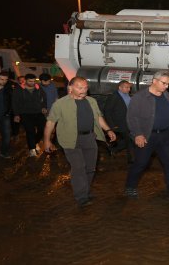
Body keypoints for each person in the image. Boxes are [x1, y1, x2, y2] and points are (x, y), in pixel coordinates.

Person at [43, 77, 116, 207]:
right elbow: (50, 123)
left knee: (90, 168)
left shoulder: (91, 101)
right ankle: (81, 196)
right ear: (70, 88)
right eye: (80, 87)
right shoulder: (60, 103)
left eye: (85, 87)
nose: (84, 90)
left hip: (89, 138)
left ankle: (85, 191)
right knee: (78, 167)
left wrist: (108, 130)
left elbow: (98, 117)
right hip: (70, 139)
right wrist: (47, 140)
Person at [124, 71, 169, 204]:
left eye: (168, 84)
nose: (166, 86)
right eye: (164, 83)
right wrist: (138, 134)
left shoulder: (166, 95)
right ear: (154, 81)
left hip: (165, 135)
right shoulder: (140, 97)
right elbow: (132, 117)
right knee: (141, 163)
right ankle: (130, 187)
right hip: (147, 135)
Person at [13, 73, 47, 157]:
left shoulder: (38, 88)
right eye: (30, 81)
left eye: (34, 81)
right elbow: (15, 102)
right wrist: (16, 114)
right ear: (25, 80)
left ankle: (34, 142)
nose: (32, 83)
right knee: (30, 131)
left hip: (38, 112)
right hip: (25, 113)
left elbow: (44, 98)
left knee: (42, 130)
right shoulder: (19, 89)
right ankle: (32, 149)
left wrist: (43, 107)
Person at [103, 80, 133, 162]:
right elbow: (107, 111)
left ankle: (113, 149)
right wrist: (112, 125)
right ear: (120, 88)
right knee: (129, 140)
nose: (129, 89)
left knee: (129, 140)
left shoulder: (127, 95)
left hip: (127, 122)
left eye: (129, 87)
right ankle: (131, 159)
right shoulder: (114, 96)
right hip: (119, 123)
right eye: (126, 87)